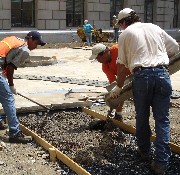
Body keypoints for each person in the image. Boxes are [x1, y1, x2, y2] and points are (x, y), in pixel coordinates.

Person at [109, 8, 179, 175]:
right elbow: (175, 48)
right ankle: (162, 163)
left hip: (142, 76)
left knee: (142, 116)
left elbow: (121, 66)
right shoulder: (154, 27)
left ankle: (144, 153)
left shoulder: (125, 34)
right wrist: (158, 59)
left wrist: (118, 87)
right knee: (162, 120)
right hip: (163, 74)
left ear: (124, 22)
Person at [0, 31, 46, 143]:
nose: (36, 47)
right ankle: (15, 133)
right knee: (9, 98)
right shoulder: (24, 50)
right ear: (30, 39)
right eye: (36, 43)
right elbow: (10, 69)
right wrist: (11, 86)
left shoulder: (17, 40)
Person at [89, 43, 130, 120]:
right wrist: (113, 96)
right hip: (125, 75)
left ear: (104, 53)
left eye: (98, 58)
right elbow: (114, 83)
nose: (97, 61)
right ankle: (118, 114)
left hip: (137, 70)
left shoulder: (118, 49)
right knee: (117, 91)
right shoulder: (105, 67)